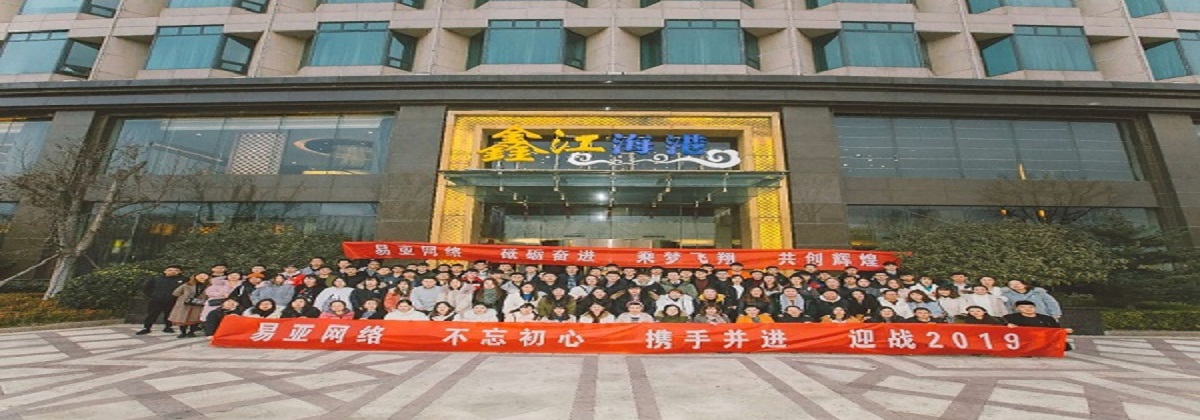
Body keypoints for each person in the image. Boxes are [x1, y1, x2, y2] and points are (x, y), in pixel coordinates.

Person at [138, 265, 187, 335]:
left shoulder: (184, 279)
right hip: (156, 300)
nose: (172, 272)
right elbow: (147, 288)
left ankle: (168, 327)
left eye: (176, 270)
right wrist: (153, 296)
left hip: (173, 301)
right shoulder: (156, 279)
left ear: (180, 272)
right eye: (170, 270)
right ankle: (146, 328)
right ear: (165, 271)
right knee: (152, 314)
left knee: (169, 315)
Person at [168, 273, 209, 338]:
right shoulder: (187, 284)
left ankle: (191, 332)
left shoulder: (209, 286)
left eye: (204, 276)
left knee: (195, 318)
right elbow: (176, 293)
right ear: (195, 276)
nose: (202, 277)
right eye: (200, 276)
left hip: (199, 304)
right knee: (183, 318)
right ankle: (183, 332)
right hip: (185, 304)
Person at [1005, 300, 1072, 330]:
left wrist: (1064, 331)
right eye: (1023, 307)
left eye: (1031, 307)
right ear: (1017, 309)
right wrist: (1007, 326)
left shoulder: (1047, 319)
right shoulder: (1010, 318)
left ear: (1035, 308)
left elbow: (1056, 330)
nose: (1027, 309)